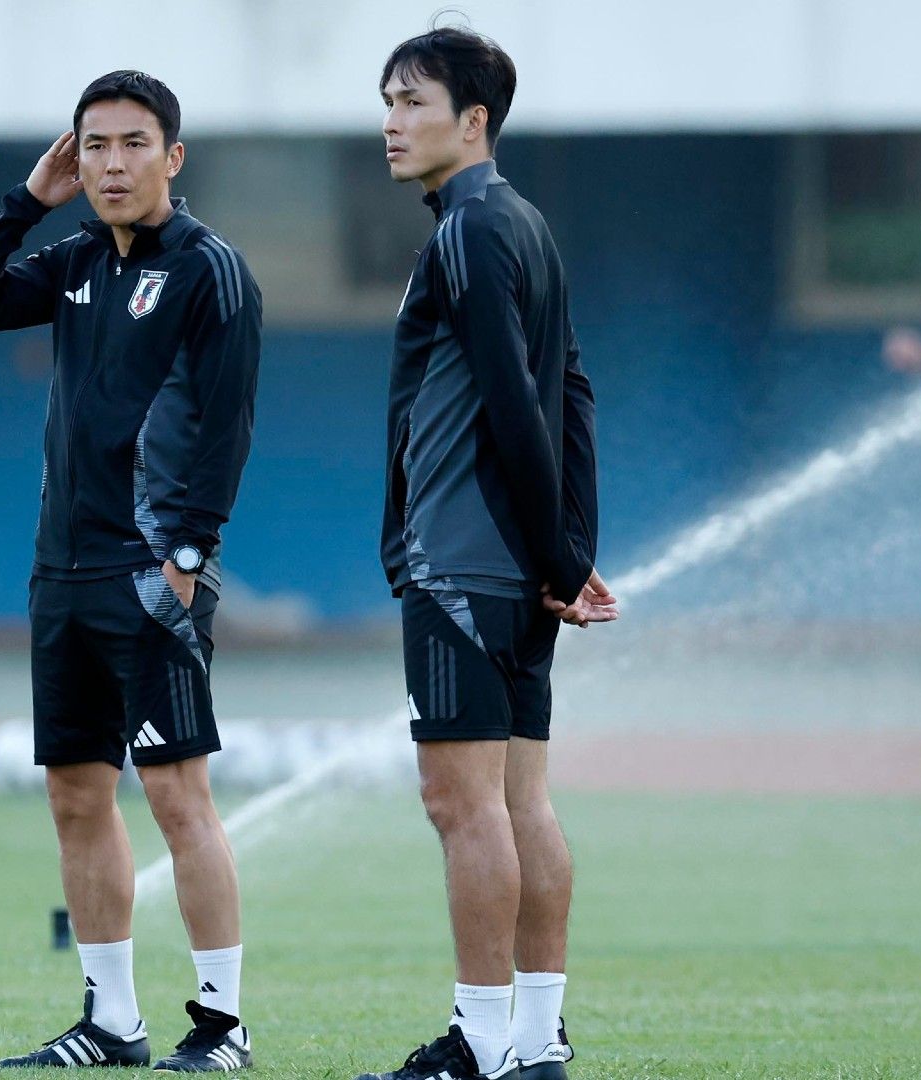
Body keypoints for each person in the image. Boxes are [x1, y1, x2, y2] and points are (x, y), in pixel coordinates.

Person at [0, 69, 263, 1072]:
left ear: (173, 156)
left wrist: (189, 557)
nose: (111, 164)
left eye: (132, 144)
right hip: (63, 572)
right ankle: (112, 1023)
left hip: (153, 575)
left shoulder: (211, 271)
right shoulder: (76, 259)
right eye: (94, 146)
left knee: (177, 798)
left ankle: (222, 1026)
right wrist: (27, 202)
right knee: (78, 798)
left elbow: (227, 427)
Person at [363, 26, 617, 1080]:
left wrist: (557, 555)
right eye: (387, 101)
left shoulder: (468, 231)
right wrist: (569, 548)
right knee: (521, 803)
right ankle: (537, 1037)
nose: (391, 122)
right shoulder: (525, 225)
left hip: (462, 563)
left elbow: (519, 402)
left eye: (412, 102)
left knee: (460, 804)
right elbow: (573, 392)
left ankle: (479, 1041)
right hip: (513, 566)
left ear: (473, 121)